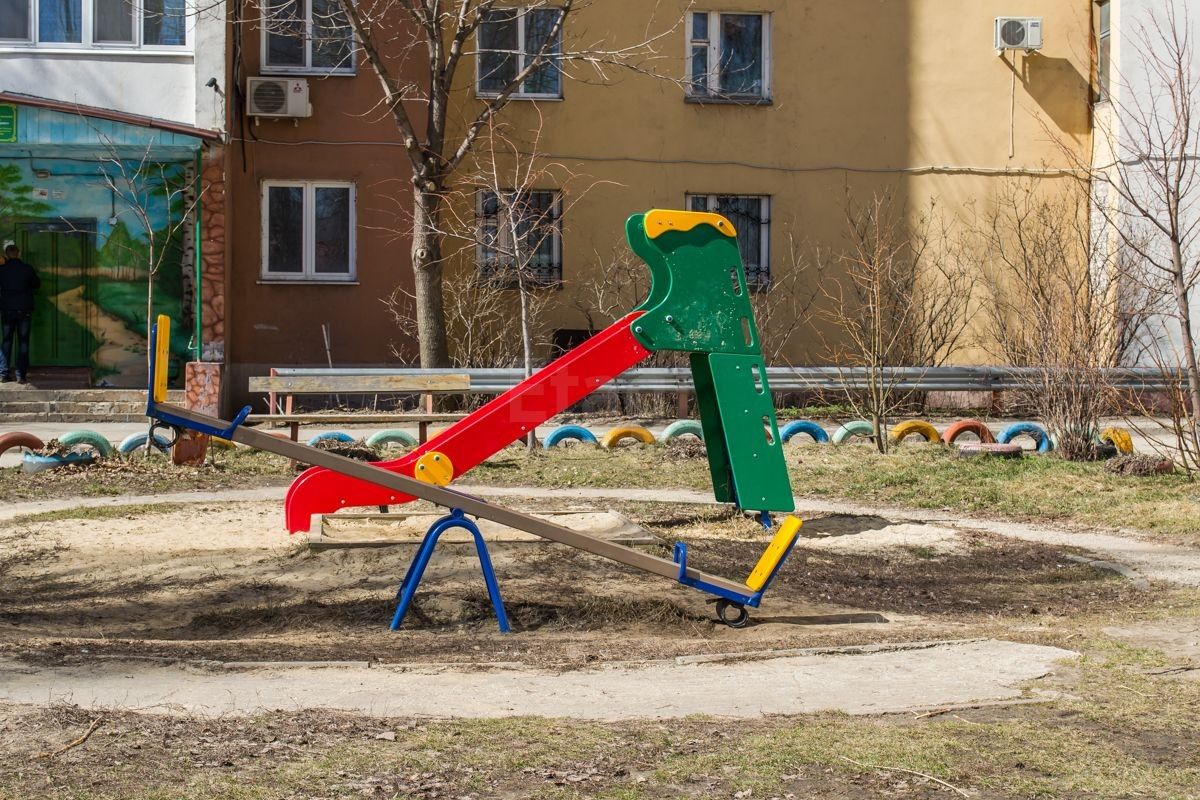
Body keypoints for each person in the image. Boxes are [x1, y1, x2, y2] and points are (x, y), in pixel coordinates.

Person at [0, 243, 40, 384]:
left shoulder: (2, 270)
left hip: (7, 310)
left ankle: (3, 374)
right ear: (19, 253)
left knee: (6, 341)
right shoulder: (27, 269)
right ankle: (21, 375)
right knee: (23, 342)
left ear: (6, 254)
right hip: (24, 309)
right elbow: (36, 284)